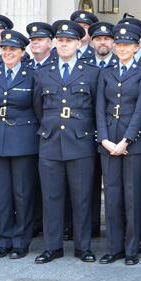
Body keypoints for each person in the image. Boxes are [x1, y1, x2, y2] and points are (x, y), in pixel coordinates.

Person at [32, 20, 101, 264]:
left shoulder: (92, 72)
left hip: (80, 143)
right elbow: (38, 108)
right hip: (50, 143)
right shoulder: (42, 73)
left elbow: (97, 109)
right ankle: (52, 247)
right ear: (54, 44)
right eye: (60, 41)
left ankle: (83, 247)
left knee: (81, 198)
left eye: (69, 41)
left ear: (78, 44)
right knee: (51, 198)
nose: (64, 45)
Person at [0, 29, 40, 259]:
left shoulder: (32, 75)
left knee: (22, 194)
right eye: (5, 49)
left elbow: (39, 110)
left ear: (22, 52)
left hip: (23, 140)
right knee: (1, 194)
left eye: (13, 49)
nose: (8, 53)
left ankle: (21, 241)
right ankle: (4, 240)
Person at [95, 23, 141, 265]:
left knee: (132, 197)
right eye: (119, 44)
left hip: (133, 143)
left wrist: (126, 140)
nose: (122, 48)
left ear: (137, 47)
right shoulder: (105, 72)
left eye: (128, 45)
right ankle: (113, 248)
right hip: (108, 140)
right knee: (112, 196)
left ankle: (131, 249)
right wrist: (105, 139)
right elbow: (99, 108)